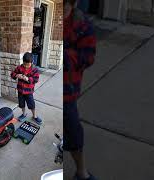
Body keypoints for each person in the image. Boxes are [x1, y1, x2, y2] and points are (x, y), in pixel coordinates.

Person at [64, 0, 97, 180]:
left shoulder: (83, 26)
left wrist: (68, 57)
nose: (62, 13)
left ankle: (81, 172)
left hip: (68, 91)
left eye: (65, 8)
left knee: (73, 129)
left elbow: (89, 57)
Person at [11, 52, 42, 125]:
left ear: (32, 62)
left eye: (28, 65)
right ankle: (24, 114)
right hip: (20, 90)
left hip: (29, 92)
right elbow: (12, 74)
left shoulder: (34, 69)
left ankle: (34, 115)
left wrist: (28, 79)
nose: (26, 66)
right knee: (21, 104)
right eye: (24, 64)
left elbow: (36, 79)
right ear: (23, 62)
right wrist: (17, 75)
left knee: (31, 104)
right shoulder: (19, 67)